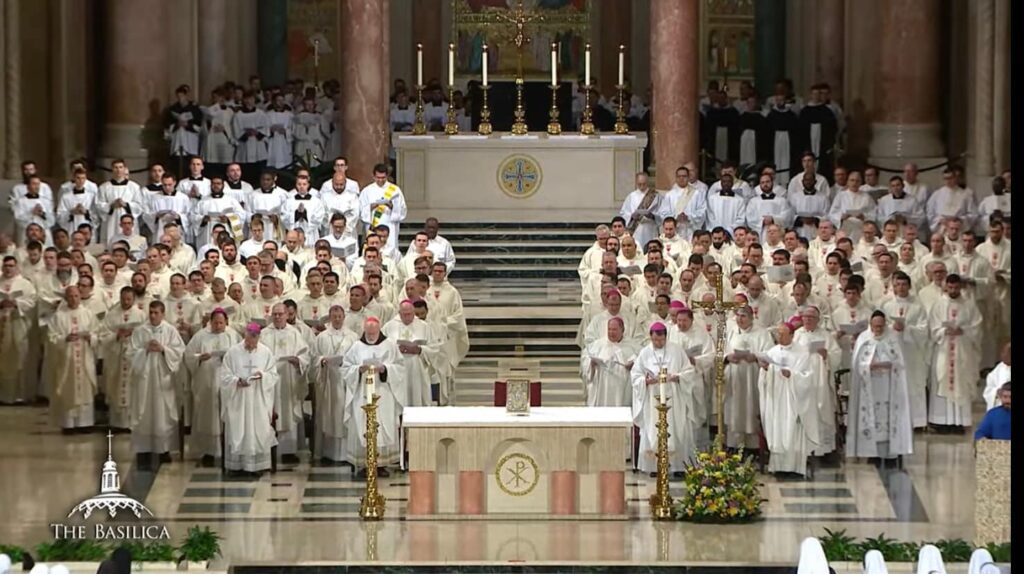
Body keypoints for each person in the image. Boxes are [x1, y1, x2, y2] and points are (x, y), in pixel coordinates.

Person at [630, 322, 700, 476]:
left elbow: (689, 371)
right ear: (651, 337)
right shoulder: (645, 353)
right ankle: (655, 466)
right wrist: (646, 381)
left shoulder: (676, 350)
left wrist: (676, 377)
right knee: (653, 429)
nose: (658, 343)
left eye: (661, 340)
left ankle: (679, 466)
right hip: (653, 398)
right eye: (655, 340)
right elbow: (635, 375)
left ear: (666, 337)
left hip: (674, 397)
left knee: (677, 428)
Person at [846, 311, 913, 464]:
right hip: (869, 387)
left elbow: (900, 363)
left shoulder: (893, 338)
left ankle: (891, 454)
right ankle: (872, 453)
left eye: (881, 326)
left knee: (888, 418)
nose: (878, 329)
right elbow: (857, 365)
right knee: (871, 416)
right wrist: (868, 366)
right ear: (870, 325)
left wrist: (890, 365)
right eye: (875, 326)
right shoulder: (864, 338)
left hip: (889, 386)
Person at [343, 316, 406, 477]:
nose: (371, 336)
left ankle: (381, 464)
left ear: (379, 330)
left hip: (383, 393)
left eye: (374, 333)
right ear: (364, 330)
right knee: (362, 425)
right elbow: (346, 368)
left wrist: (384, 368)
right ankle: (365, 464)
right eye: (368, 333)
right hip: (362, 393)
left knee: (383, 426)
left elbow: (400, 367)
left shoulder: (390, 345)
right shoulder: (356, 346)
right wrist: (359, 369)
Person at [128, 301, 186, 466]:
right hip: (145, 380)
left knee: (163, 414)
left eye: (156, 313)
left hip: (163, 379)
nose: (153, 316)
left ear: (163, 314)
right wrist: (145, 349)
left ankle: (163, 450)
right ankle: (143, 450)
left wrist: (163, 349)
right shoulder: (140, 330)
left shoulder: (170, 330)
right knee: (143, 412)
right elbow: (130, 353)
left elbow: (179, 351)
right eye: (151, 312)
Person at [758, 321, 818, 476]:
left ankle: (795, 468)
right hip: (776, 401)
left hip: (794, 401)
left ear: (792, 335)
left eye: (782, 334)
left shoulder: (802, 353)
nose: (779, 337)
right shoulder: (772, 352)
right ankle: (777, 467)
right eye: (778, 334)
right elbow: (764, 378)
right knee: (777, 430)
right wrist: (765, 370)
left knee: (793, 432)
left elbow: (808, 377)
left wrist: (792, 375)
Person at [219, 322, 279, 476]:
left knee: (258, 428)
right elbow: (224, 376)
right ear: (244, 335)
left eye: (254, 337)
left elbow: (273, 375)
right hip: (238, 399)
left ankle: (257, 466)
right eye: (249, 337)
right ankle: (236, 466)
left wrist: (262, 376)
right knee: (238, 428)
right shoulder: (233, 352)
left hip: (258, 399)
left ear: (258, 337)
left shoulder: (265, 352)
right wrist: (236, 381)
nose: (251, 341)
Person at [183, 308, 240, 466]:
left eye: (221, 323)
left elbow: (240, 354)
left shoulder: (233, 335)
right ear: (210, 322)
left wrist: (227, 357)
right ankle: (208, 451)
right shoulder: (201, 335)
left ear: (226, 322)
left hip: (226, 382)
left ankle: (228, 448)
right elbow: (188, 355)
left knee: (227, 414)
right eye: (215, 323)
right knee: (207, 416)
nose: (218, 326)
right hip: (206, 383)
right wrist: (200, 358)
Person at [928, 274, 982, 432]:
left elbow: (977, 326)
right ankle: (941, 421)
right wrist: (943, 331)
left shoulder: (969, 304)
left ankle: (959, 422)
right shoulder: (939, 304)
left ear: (960, 287)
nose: (953, 290)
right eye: (950, 287)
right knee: (942, 378)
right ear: (946, 286)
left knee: (961, 381)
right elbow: (932, 327)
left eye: (956, 287)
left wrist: (963, 330)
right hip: (944, 349)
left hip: (962, 349)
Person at [259, 303, 310, 464]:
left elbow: (305, 355)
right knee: (269, 412)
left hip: (288, 379)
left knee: (288, 413)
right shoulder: (264, 334)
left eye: (280, 314)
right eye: (275, 314)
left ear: (287, 315)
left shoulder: (294, 333)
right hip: (270, 381)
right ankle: (268, 449)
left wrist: (298, 361)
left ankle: (288, 451)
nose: (277, 317)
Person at [47, 286, 99, 432]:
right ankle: (68, 424)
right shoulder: (58, 316)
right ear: (66, 298)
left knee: (85, 390)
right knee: (68, 389)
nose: (74, 299)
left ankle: (85, 423)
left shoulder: (88, 314)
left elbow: (98, 333)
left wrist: (90, 337)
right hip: (67, 361)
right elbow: (51, 337)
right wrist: (65, 338)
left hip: (84, 359)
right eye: (70, 296)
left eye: (76, 296)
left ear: (80, 296)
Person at [311, 305, 358, 464]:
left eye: (339, 316)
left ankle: (346, 453)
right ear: (330, 318)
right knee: (328, 414)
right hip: (328, 380)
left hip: (346, 381)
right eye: (334, 316)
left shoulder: (352, 336)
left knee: (343, 413)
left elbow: (357, 357)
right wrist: (322, 361)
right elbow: (314, 357)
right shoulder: (322, 337)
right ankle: (328, 453)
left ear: (344, 317)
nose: (337, 319)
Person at [723, 306, 774, 448]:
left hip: (752, 376)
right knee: (734, 410)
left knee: (752, 409)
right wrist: (727, 357)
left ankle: (753, 447)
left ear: (752, 318)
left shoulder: (762, 333)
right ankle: (734, 445)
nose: (740, 319)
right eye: (738, 316)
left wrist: (756, 356)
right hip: (734, 377)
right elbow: (720, 351)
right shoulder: (730, 332)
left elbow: (770, 353)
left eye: (743, 316)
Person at [382, 300, 445, 407]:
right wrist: (396, 349)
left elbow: (434, 348)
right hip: (397, 370)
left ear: (413, 312)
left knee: (417, 397)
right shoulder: (389, 327)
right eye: (404, 314)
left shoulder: (424, 326)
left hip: (418, 370)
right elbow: (381, 348)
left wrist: (419, 350)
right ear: (399, 313)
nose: (407, 317)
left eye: (410, 314)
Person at [100, 287, 146, 430]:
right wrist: (117, 335)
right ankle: (117, 422)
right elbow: (103, 335)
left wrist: (133, 333)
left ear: (134, 299)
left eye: (129, 299)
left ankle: (132, 422)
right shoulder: (111, 315)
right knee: (116, 386)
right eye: (123, 299)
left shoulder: (141, 315)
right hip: (117, 356)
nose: (126, 302)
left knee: (133, 387)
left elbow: (146, 334)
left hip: (133, 355)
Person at [0, 256, 37, 404]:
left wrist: (16, 303)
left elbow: (32, 301)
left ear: (16, 267)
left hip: (18, 324)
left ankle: (19, 395)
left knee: (20, 358)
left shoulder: (25, 284)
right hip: (2, 324)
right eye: (6, 266)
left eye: (11, 266)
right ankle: (3, 395)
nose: (8, 268)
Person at [581, 317, 637, 407]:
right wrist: (591, 363)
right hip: (603, 389)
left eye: (614, 329)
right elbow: (586, 358)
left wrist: (634, 365)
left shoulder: (632, 346)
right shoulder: (598, 345)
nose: (611, 332)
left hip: (622, 390)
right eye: (609, 329)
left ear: (622, 330)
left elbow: (641, 362)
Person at [359, 164, 407, 251]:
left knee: (390, 248)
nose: (380, 180)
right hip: (374, 223)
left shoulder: (395, 190)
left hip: (390, 223)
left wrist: (391, 206)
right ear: (373, 176)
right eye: (378, 177)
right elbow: (361, 209)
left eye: (383, 177)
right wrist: (371, 207)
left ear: (387, 176)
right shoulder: (367, 191)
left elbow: (402, 209)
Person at [619, 172, 662, 249]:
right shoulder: (631, 196)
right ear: (636, 183)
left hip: (650, 228)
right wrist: (631, 216)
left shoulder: (655, 196)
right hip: (636, 230)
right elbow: (623, 213)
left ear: (647, 182)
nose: (642, 186)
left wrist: (652, 216)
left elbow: (662, 213)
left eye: (644, 184)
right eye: (639, 184)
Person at [983, 343, 1011, 410]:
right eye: (1003, 352)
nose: (1003, 355)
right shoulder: (999, 368)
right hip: (1000, 408)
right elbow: (989, 389)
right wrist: (996, 392)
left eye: (1007, 353)